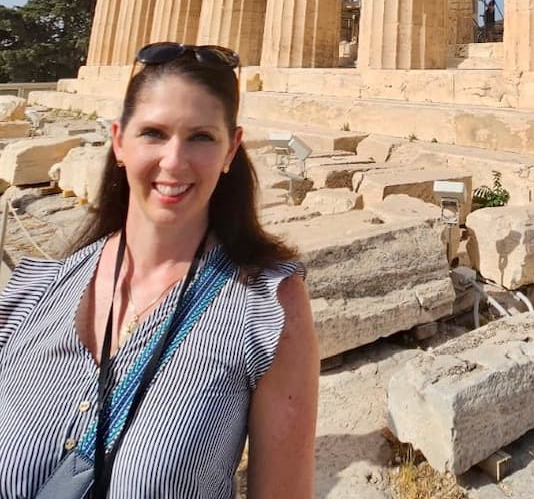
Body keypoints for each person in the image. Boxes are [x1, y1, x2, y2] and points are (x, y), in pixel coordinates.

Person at [0, 41, 319, 498]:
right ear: (119, 142)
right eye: (153, 132)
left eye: (202, 137)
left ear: (232, 151)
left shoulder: (266, 309)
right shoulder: (33, 292)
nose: (174, 161)